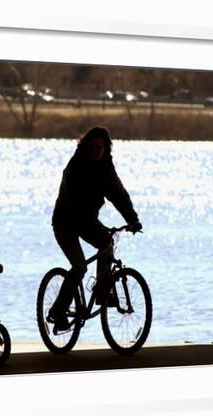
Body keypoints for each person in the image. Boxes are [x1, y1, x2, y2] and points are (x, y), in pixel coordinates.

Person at [49, 126, 142, 331]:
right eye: (91, 147)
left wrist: (133, 219)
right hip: (65, 222)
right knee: (80, 267)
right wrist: (89, 223)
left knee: (106, 243)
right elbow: (72, 200)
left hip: (87, 220)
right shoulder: (74, 167)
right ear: (84, 147)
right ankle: (58, 310)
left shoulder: (106, 167)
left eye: (99, 148)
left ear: (105, 148)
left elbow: (118, 195)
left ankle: (102, 290)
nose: (95, 151)